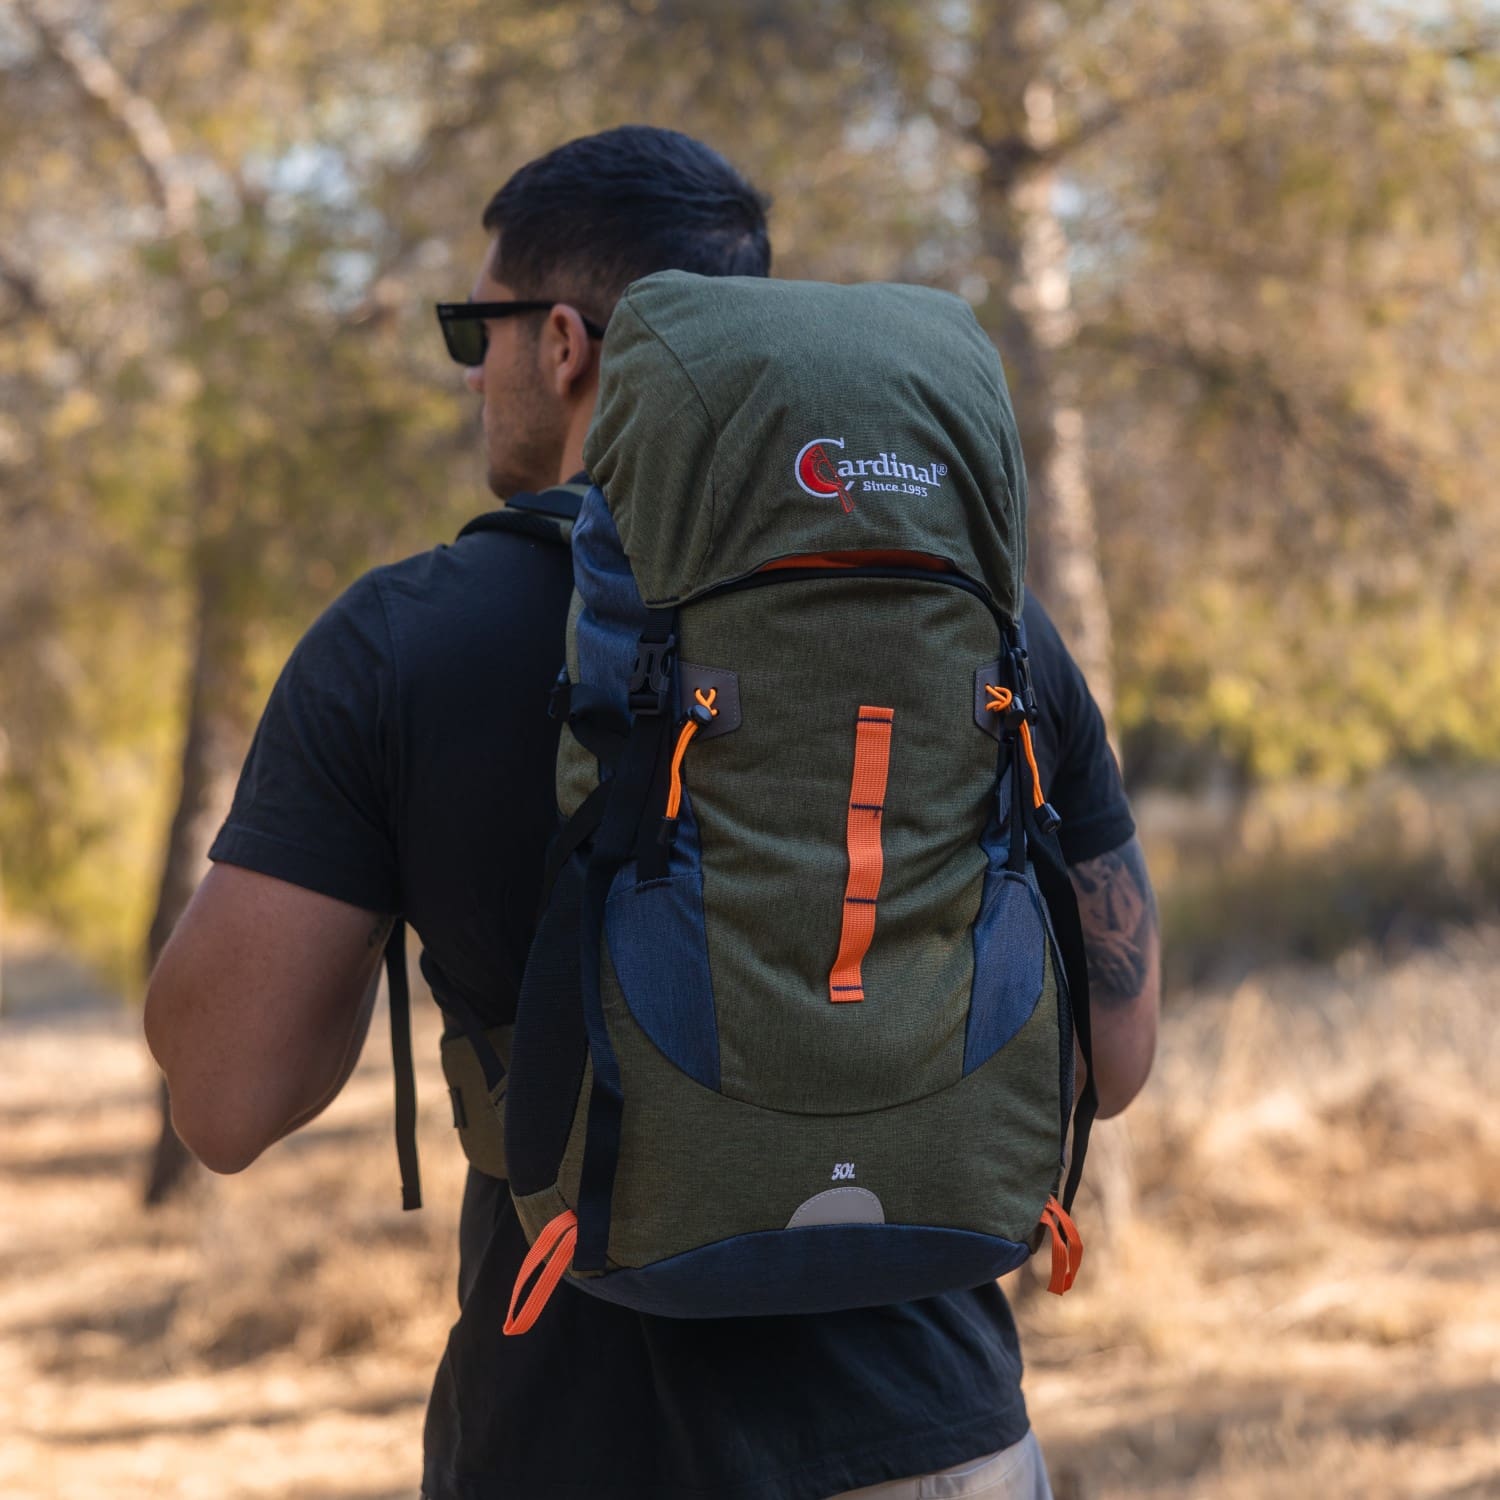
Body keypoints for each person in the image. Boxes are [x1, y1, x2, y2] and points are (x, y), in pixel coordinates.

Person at [144, 125, 1160, 1500]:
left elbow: (224, 1101)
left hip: (567, 1450)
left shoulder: (407, 638)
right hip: (937, 1435)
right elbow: (1116, 1055)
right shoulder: (982, 628)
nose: (472, 370)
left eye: (476, 329)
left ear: (563, 343)